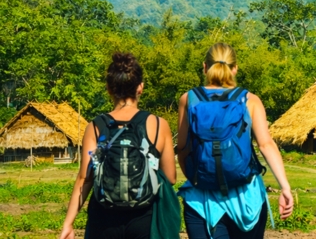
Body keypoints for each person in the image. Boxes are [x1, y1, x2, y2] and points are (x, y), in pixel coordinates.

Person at [176, 43, 294, 238]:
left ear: (205, 67)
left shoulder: (189, 99)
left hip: (202, 201)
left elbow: (183, 149)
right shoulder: (250, 100)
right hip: (247, 200)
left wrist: (197, 179)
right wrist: (285, 187)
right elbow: (266, 145)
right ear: (235, 68)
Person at [60, 52, 178, 239]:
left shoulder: (95, 127)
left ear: (108, 88)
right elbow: (171, 178)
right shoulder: (158, 124)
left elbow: (85, 179)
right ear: (140, 87)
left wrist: (68, 223)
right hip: (144, 219)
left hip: (104, 220)